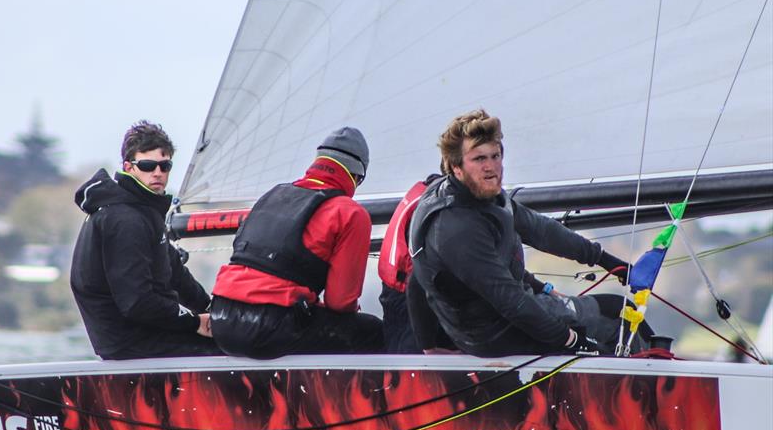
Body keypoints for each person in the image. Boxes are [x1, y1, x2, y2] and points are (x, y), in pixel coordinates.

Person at [408, 109, 650, 357]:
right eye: (479, 159)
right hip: (499, 335)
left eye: (496, 156)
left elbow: (542, 230)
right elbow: (510, 301)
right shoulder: (455, 228)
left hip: (515, 314)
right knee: (618, 326)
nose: (491, 167)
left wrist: (608, 262)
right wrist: (572, 341)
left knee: (619, 310)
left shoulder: (484, 195)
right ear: (456, 167)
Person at [210, 127, 384, 358]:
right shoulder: (350, 213)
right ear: (356, 177)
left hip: (221, 318)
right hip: (267, 327)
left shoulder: (274, 193)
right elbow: (340, 302)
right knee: (372, 332)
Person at [70, 121, 221, 360]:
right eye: (148, 165)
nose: (158, 173)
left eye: (165, 166)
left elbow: (175, 273)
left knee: (235, 338)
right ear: (129, 167)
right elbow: (136, 302)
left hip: (149, 333)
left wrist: (212, 311)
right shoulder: (125, 220)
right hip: (131, 343)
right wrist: (195, 323)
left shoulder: (145, 212)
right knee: (232, 352)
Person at [378, 173, 456, 353]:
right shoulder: (441, 205)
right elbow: (417, 281)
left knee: (402, 370)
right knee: (417, 374)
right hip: (412, 305)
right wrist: (428, 347)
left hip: (395, 298)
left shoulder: (424, 192)